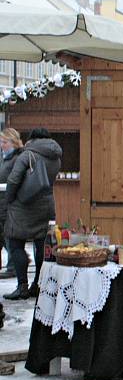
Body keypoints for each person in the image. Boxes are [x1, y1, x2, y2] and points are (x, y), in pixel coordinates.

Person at [3, 128, 62, 300]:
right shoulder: (56, 156)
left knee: (15, 243)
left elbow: (13, 180)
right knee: (40, 245)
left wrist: (10, 199)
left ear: (32, 139)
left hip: (23, 206)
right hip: (46, 204)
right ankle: (38, 284)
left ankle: (22, 287)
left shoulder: (27, 155)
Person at [0, 128, 24, 280]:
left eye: (4, 142)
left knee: (9, 237)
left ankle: (13, 266)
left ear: (13, 143)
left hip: (9, 204)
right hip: (3, 203)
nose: (2, 145)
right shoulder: (5, 158)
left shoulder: (16, 159)